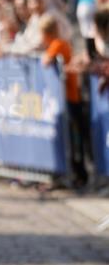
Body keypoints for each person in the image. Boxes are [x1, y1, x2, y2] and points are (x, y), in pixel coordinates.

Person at [40, 14, 88, 188]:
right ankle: (72, 174)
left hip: (70, 99)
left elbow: (45, 61)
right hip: (65, 100)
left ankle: (79, 175)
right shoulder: (59, 43)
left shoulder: (58, 44)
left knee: (74, 141)